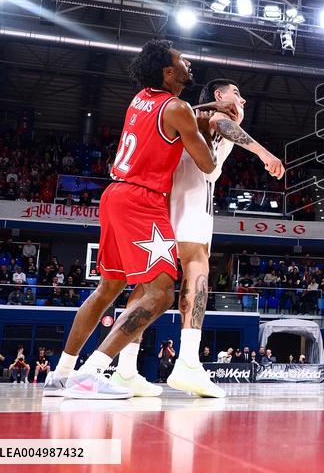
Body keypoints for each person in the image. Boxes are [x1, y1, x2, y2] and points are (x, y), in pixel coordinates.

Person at [43, 40, 233, 399]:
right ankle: (91, 373)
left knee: (108, 289)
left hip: (114, 194)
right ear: (168, 72)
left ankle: (61, 374)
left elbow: (174, 114)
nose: (188, 64)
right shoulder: (178, 108)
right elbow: (208, 165)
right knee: (160, 294)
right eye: (181, 60)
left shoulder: (140, 99)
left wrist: (202, 111)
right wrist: (216, 132)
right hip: (142, 200)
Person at [113, 79, 283, 399]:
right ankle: (188, 363)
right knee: (197, 267)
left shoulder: (189, 113)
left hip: (163, 197)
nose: (243, 101)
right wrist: (265, 154)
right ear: (219, 95)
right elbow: (222, 123)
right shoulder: (215, 115)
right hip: (191, 193)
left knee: (148, 286)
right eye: (237, 93)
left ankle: (125, 369)